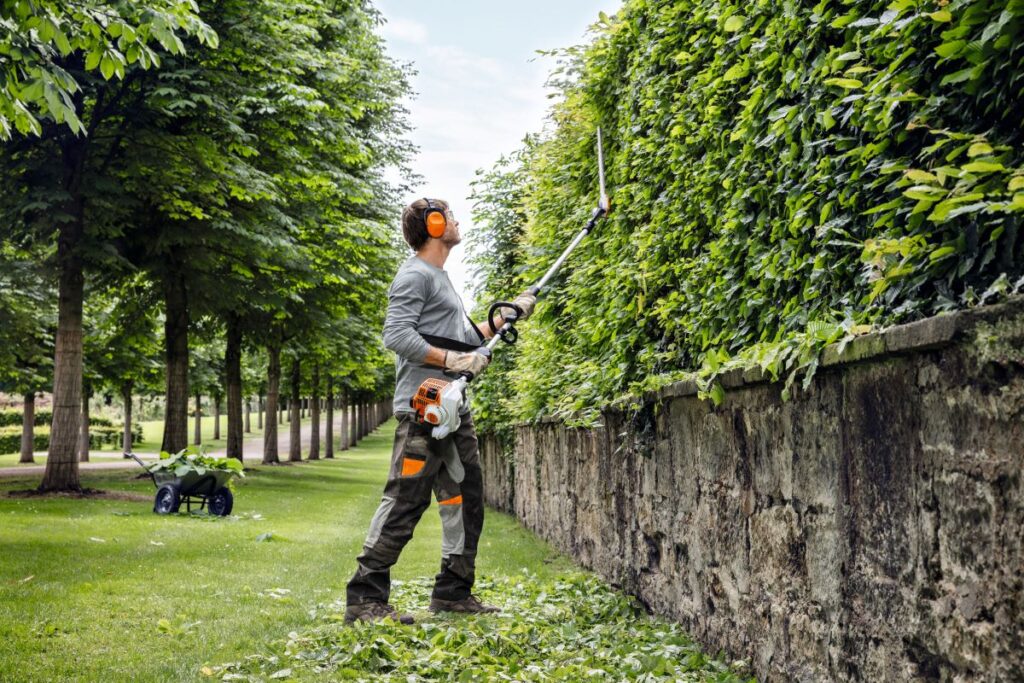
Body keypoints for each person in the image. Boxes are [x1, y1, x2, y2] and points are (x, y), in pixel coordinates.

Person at [344, 197, 536, 624]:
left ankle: (453, 591)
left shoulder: (440, 278)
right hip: (423, 409)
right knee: (404, 502)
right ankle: (364, 598)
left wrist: (504, 317)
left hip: (452, 410)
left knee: (465, 498)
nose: (455, 221)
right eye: (449, 215)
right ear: (433, 224)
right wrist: (452, 363)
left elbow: (466, 341)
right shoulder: (414, 275)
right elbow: (396, 335)